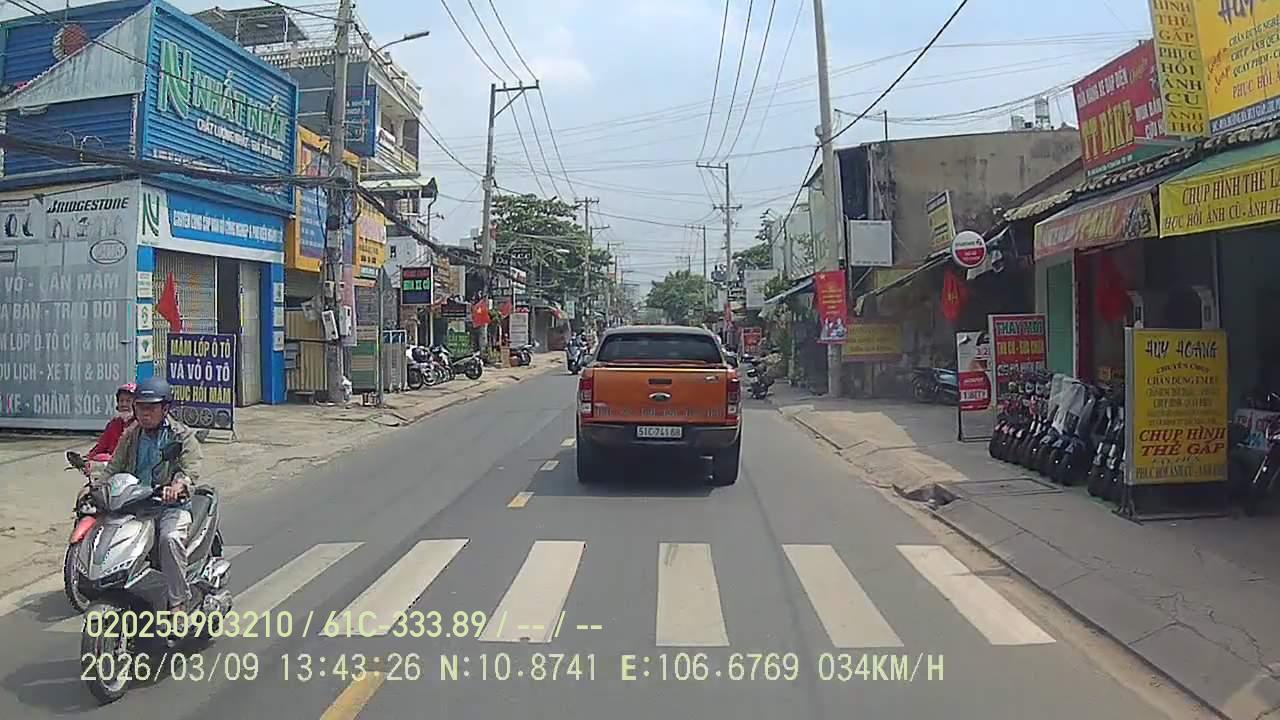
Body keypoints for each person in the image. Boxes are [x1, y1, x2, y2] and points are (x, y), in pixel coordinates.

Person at [101, 377, 204, 612]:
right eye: (140, 407)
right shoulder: (130, 435)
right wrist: (95, 487)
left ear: (165, 409)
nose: (145, 413)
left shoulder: (181, 436)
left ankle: (178, 602)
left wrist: (178, 486)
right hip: (135, 505)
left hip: (170, 506)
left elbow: (190, 469)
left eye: (151, 408)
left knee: (169, 539)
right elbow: (113, 468)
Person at [87, 383, 136, 460]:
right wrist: (88, 458)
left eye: (128, 401)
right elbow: (101, 446)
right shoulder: (113, 424)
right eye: (121, 401)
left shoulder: (141, 425)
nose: (124, 404)